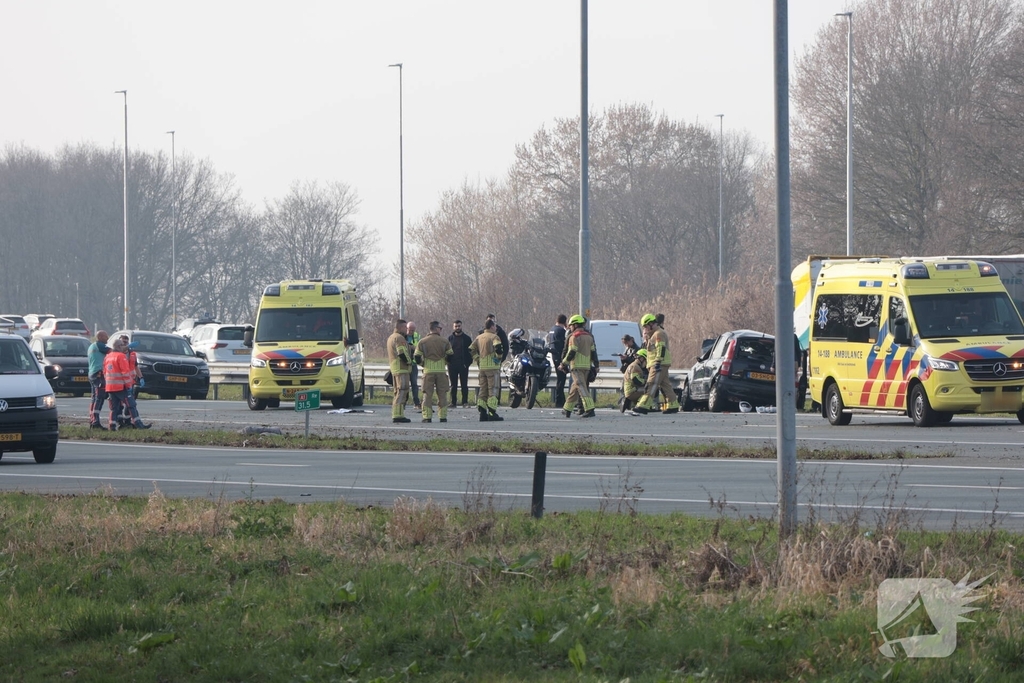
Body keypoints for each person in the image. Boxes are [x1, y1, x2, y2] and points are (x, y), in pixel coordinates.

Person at [634, 313, 680, 415]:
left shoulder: (658, 334)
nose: (645, 329)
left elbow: (661, 348)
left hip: (659, 363)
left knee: (651, 383)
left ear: (651, 323)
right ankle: (673, 405)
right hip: (659, 363)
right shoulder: (654, 334)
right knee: (665, 385)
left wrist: (658, 361)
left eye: (646, 326)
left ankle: (643, 405)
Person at [103, 338, 151, 430]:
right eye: (122, 344)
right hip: (121, 387)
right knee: (131, 405)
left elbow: (105, 372)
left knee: (114, 408)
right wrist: (129, 386)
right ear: (118, 346)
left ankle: (112, 426)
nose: (124, 346)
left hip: (110, 387)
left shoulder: (108, 356)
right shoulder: (121, 356)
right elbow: (125, 373)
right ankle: (138, 424)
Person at [559, 314, 598, 418]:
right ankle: (567, 409)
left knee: (581, 387)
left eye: (571, 325)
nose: (570, 327)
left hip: (576, 366)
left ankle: (590, 409)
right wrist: (596, 365)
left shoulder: (574, 336)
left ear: (575, 325)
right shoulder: (589, 336)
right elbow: (594, 352)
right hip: (587, 367)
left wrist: (564, 363)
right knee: (575, 389)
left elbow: (571, 351)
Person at [414, 321, 453, 423]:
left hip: (428, 371)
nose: (441, 330)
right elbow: (450, 355)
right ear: (436, 329)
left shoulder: (422, 341)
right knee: (442, 394)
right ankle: (443, 416)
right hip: (441, 371)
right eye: (440, 328)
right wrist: (444, 361)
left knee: (427, 394)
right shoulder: (445, 341)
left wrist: (423, 364)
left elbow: (417, 356)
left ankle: (427, 417)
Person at [470, 319, 504, 422]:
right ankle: (492, 413)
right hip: (492, 368)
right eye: (495, 326)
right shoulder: (494, 337)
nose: (496, 328)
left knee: (483, 390)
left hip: (482, 367)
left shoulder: (478, 337)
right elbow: (498, 348)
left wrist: (477, 359)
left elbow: (471, 349)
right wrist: (498, 358)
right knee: (493, 390)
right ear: (492, 327)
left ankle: (482, 413)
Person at [387, 319, 413, 423]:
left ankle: (399, 413)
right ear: (401, 327)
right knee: (402, 391)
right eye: (405, 328)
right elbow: (401, 353)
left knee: (398, 392)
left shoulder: (391, 337)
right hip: (401, 368)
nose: (407, 330)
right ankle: (398, 415)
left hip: (395, 368)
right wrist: (409, 362)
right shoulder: (399, 337)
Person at [87, 330, 111, 429]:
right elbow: (113, 352)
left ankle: (92, 420)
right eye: (106, 336)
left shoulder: (91, 346)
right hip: (98, 374)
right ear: (100, 337)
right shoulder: (100, 345)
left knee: (94, 398)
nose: (108, 338)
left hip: (92, 373)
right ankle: (95, 422)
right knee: (99, 397)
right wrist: (126, 348)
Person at [447, 320, 472, 408]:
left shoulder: (467, 339)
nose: (457, 328)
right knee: (453, 385)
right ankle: (453, 402)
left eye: (459, 326)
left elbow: (471, 352)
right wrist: (448, 362)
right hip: (452, 365)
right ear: (453, 327)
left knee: (464, 384)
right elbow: (446, 351)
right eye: (456, 326)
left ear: (461, 326)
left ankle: (465, 402)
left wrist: (468, 363)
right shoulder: (449, 339)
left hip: (463, 364)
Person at [486, 314, 509, 403]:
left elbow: (505, 347)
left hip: (496, 361)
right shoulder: (482, 333)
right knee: (485, 383)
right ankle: (486, 400)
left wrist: (501, 359)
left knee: (496, 382)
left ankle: (496, 400)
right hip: (485, 362)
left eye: (493, 321)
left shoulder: (500, 332)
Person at [547, 314, 568, 408]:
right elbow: (565, 344)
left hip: (554, 355)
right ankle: (559, 401)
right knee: (561, 379)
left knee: (560, 378)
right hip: (559, 356)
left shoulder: (552, 329)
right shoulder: (561, 330)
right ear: (565, 321)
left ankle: (561, 399)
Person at [621, 349, 649, 413]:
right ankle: (641, 406)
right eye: (646, 360)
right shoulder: (635, 367)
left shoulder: (634, 365)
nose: (646, 363)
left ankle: (633, 403)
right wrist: (646, 382)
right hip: (632, 391)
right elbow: (636, 380)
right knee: (649, 390)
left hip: (631, 389)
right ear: (641, 358)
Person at [406, 321, 421, 410]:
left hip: (413, 363)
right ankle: (403, 402)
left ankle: (416, 402)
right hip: (405, 364)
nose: (411, 331)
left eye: (413, 330)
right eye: (410, 330)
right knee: (405, 385)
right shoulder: (403, 336)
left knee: (414, 384)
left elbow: (419, 347)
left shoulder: (417, 336)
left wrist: (413, 348)